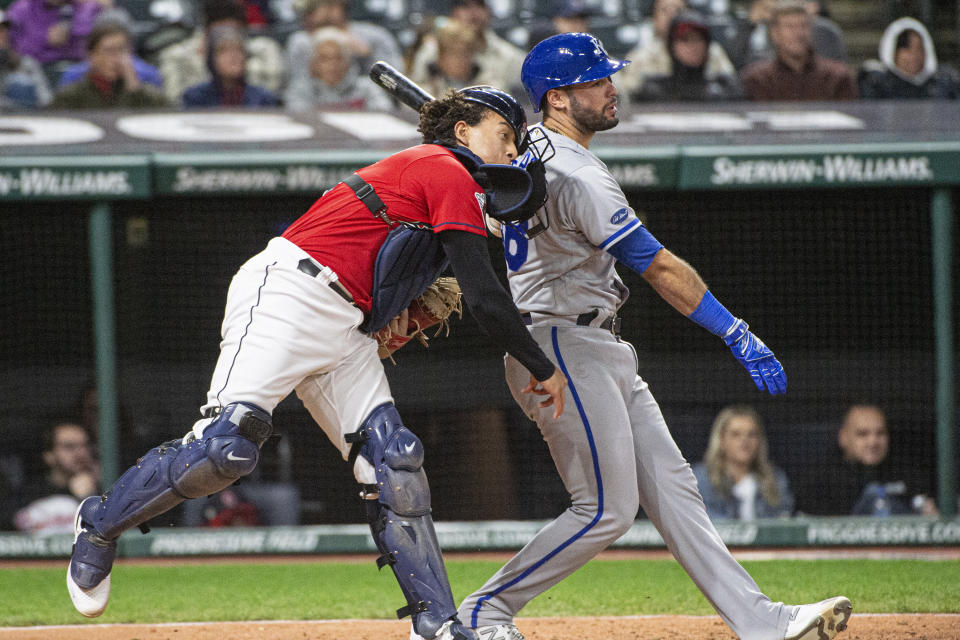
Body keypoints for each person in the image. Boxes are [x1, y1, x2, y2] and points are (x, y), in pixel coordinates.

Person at [66, 84, 566, 640]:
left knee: (395, 462)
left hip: (346, 326)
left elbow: (406, 266)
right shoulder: (445, 166)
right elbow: (486, 299)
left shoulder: (448, 182)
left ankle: (438, 626)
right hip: (290, 295)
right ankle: (100, 524)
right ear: (463, 132)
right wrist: (543, 367)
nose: (509, 152)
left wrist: (396, 303)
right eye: (503, 136)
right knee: (224, 448)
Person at [418, 31, 852, 640]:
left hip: (596, 344)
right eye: (595, 81)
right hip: (562, 344)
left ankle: (761, 622)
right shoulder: (576, 174)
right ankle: (480, 612)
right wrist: (735, 330)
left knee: (676, 493)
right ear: (558, 99)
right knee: (604, 509)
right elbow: (659, 266)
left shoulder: (524, 155)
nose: (611, 88)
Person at [795, 404, 938, 517]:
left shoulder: (908, 472)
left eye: (880, 433)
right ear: (843, 437)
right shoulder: (820, 479)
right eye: (863, 434)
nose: (873, 442)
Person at [156, 0, 284, 105]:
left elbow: (273, 87)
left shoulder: (264, 51)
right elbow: (173, 101)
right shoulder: (176, 57)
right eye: (223, 47)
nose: (227, 35)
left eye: (234, 32)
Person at [617, 0, 736, 103]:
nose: (671, 16)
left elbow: (731, 85)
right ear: (654, 18)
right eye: (665, 10)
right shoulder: (640, 57)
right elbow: (627, 97)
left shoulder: (713, 52)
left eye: (677, 10)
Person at [692, 405, 794, 520]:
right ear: (721, 441)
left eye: (752, 434)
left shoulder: (775, 479)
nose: (744, 441)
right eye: (736, 434)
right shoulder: (699, 479)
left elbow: (784, 520)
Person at [407, 0, 525, 100]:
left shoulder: (512, 57)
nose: (473, 13)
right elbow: (413, 94)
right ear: (453, 11)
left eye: (479, 5)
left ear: (489, 10)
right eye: (465, 6)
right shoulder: (430, 51)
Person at [741, 0, 856, 101]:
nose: (798, 33)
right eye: (790, 27)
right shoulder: (757, 81)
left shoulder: (838, 78)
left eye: (803, 26)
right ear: (775, 34)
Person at [48, 17, 169, 109]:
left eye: (122, 50)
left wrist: (135, 90)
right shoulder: (72, 96)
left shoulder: (145, 93)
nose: (117, 58)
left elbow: (166, 117)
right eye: (109, 51)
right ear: (92, 55)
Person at [284, 0, 403, 88]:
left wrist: (367, 58)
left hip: (365, 103)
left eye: (311, 10)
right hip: (316, 104)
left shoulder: (375, 36)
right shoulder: (300, 42)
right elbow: (296, 87)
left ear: (337, 5)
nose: (306, 18)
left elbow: (396, 84)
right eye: (304, 13)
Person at [13, 420, 100, 535]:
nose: (81, 453)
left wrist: (87, 497)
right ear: (49, 456)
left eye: (85, 446)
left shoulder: (102, 491)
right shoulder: (26, 494)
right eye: (69, 447)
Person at [284, 26, 393, 111]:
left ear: (348, 61)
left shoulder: (367, 88)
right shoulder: (300, 91)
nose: (332, 64)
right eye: (324, 59)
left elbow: (384, 113)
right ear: (313, 64)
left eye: (338, 58)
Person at [727, 0, 847, 71]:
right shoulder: (753, 28)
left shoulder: (823, 31)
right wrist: (750, 24)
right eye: (789, 26)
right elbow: (734, 64)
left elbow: (835, 70)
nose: (797, 32)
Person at [858, 17, 960, 100]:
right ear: (893, 51)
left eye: (919, 48)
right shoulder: (875, 84)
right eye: (907, 49)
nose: (914, 55)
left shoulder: (944, 84)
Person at [182, 24, 280, 107]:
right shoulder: (195, 98)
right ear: (211, 59)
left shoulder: (263, 98)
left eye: (239, 50)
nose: (234, 56)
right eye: (224, 51)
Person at [4, 0, 102, 79]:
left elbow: (88, 34)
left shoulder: (76, 7)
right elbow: (12, 47)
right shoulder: (23, 8)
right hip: (37, 69)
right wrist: (45, 39)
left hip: (72, 66)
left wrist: (72, 31)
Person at [411, 18, 499, 98]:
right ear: (440, 56)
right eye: (453, 53)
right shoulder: (424, 89)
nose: (460, 60)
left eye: (466, 52)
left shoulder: (489, 87)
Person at [0, 8, 53, 108]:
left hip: (23, 118)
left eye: (3, 30)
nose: (2, 35)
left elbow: (45, 101)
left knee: (20, 83)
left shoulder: (24, 63)